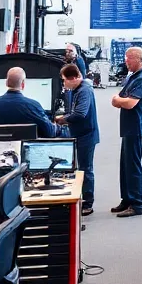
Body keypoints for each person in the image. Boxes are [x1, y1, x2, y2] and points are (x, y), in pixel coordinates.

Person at [111, 47, 142, 218]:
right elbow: (121, 98)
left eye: (129, 58)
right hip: (130, 128)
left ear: (138, 59)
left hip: (137, 128)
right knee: (126, 166)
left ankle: (136, 204)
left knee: (133, 166)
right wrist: (120, 99)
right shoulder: (133, 77)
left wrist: (119, 100)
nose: (126, 61)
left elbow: (129, 103)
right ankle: (127, 199)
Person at [57, 63, 98, 215]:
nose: (64, 84)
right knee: (79, 168)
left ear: (73, 78)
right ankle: (79, 199)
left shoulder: (84, 90)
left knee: (85, 169)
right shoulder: (77, 90)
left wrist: (63, 119)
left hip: (86, 135)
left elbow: (80, 113)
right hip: (80, 133)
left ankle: (87, 203)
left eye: (64, 80)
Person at [0, 67, 58, 139]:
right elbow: (50, 132)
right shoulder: (33, 106)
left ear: (6, 83)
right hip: (25, 150)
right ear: (23, 84)